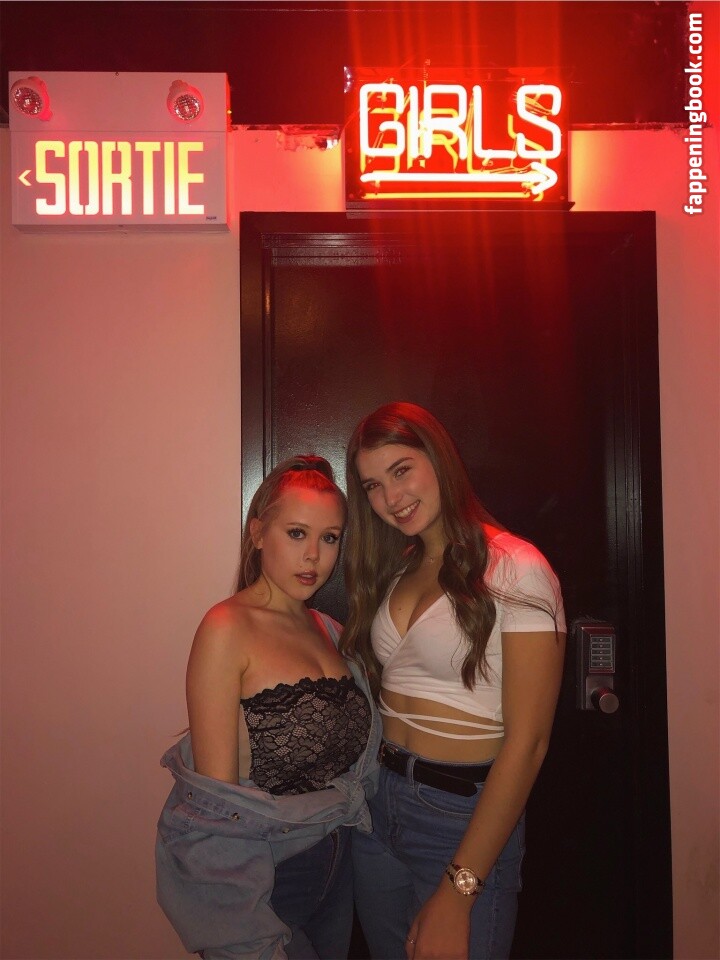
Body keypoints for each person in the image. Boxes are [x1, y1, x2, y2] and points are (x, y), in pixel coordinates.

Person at [341, 402, 566, 960]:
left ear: (438, 458)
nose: (391, 498)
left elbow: (530, 743)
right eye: (372, 485)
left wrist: (460, 891)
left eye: (401, 470)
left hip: (460, 816)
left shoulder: (517, 567)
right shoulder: (399, 567)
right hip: (378, 805)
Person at [155, 456, 382, 960]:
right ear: (258, 533)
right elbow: (216, 809)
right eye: (297, 533)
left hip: (338, 860)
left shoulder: (328, 630)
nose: (314, 556)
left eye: (329, 538)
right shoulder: (226, 628)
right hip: (266, 874)